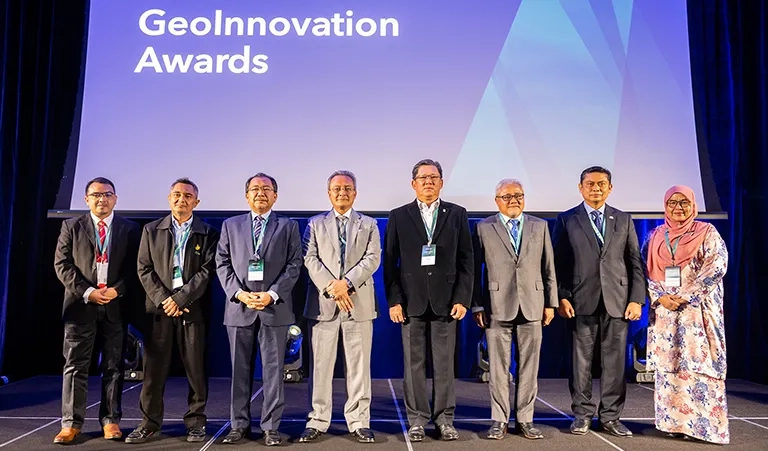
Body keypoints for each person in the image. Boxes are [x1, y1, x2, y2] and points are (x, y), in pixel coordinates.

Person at [383, 159, 473, 442]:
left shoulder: (457, 214)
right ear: (413, 184)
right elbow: (390, 264)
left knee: (445, 364)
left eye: (433, 178)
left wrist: (462, 298)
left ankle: (445, 419)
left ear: (442, 183)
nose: (428, 182)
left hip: (447, 302)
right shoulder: (399, 215)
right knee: (414, 365)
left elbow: (467, 260)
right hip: (411, 303)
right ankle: (417, 420)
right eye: (423, 178)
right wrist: (394, 301)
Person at [552, 166, 645, 437]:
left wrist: (637, 299)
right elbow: (559, 263)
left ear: (610, 188)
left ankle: (611, 417)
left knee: (615, 364)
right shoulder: (567, 219)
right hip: (581, 301)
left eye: (602, 184)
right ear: (580, 188)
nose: (596, 188)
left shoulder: (623, 219)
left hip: (618, 301)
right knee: (580, 363)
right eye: (590, 184)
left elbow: (634, 263)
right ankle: (582, 415)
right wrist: (562, 296)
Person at [127, 178, 219, 444]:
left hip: (193, 310)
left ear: (197, 202)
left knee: (196, 369)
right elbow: (144, 269)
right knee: (154, 370)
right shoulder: (151, 230)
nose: (182, 199)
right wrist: (165, 299)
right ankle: (150, 423)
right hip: (159, 310)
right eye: (177, 195)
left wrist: (181, 299)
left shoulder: (209, 232)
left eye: (188, 196)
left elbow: (207, 272)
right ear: (169, 199)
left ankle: (196, 423)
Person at [216, 173, 302, 446]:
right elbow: (222, 262)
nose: (260, 193)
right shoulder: (231, 225)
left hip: (273, 308)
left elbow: (294, 264)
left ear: (275, 196)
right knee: (239, 371)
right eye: (255, 189)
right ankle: (238, 425)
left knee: (274, 372)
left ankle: (270, 427)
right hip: (240, 309)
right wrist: (240, 294)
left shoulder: (288, 226)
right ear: (246, 195)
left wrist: (271, 294)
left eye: (267, 189)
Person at [53, 177, 140, 444]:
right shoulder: (71, 226)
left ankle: (111, 420)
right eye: (96, 195)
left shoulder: (130, 229)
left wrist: (117, 290)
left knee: (113, 366)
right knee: (75, 366)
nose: (102, 199)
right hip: (80, 306)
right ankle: (70, 423)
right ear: (86, 199)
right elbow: (62, 264)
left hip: (115, 305)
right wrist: (88, 291)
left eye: (107, 194)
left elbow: (135, 268)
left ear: (116, 198)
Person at [299, 170, 381, 444]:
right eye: (337, 188)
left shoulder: (369, 224)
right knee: (320, 367)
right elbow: (309, 258)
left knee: (359, 367)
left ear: (355, 193)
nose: (342, 192)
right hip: (325, 305)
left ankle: (359, 421)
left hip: (358, 303)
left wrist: (346, 283)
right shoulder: (314, 223)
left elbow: (373, 259)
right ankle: (318, 420)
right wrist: (332, 288)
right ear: (329, 193)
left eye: (347, 188)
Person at [643, 185, 729, 444]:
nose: (678, 208)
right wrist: (659, 296)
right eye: (672, 203)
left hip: (697, 312)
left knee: (699, 364)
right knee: (670, 366)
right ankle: (674, 424)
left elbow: (716, 266)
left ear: (693, 206)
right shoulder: (655, 235)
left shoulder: (707, 233)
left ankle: (704, 428)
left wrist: (685, 295)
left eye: (684, 203)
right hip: (666, 313)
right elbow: (642, 270)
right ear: (665, 206)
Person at [472, 179, 557, 440]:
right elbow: (476, 271)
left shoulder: (539, 226)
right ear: (496, 201)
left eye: (518, 195)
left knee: (529, 368)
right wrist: (477, 304)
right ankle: (499, 420)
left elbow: (548, 267)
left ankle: (525, 419)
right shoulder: (483, 228)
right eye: (506, 196)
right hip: (497, 307)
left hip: (533, 305)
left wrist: (551, 303)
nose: (513, 200)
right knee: (498, 369)